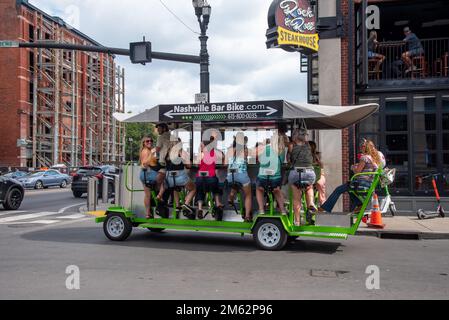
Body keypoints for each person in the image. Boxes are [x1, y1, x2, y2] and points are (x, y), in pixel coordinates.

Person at [319, 139, 382, 213]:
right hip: (368, 183)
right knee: (350, 190)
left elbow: (357, 172)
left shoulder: (364, 157)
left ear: (366, 147)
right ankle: (360, 205)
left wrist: (353, 167)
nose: (361, 148)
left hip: (361, 183)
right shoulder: (374, 159)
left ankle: (325, 208)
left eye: (363, 146)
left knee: (338, 190)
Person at [288, 129, 316, 226]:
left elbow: (289, 160)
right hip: (309, 172)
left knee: (296, 200)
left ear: (294, 136)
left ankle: (297, 221)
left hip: (296, 172)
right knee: (309, 187)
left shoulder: (291, 145)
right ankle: (311, 203)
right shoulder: (308, 144)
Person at [256, 131, 287, 215]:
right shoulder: (282, 150)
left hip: (263, 178)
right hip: (275, 178)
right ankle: (282, 210)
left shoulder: (265, 148)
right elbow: (282, 162)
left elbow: (260, 160)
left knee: (259, 189)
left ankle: (261, 209)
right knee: (276, 190)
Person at [165, 138, 196, 218]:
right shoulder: (182, 152)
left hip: (169, 179)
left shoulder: (168, 153)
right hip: (180, 176)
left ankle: (178, 206)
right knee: (193, 188)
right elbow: (188, 166)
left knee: (175, 188)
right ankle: (186, 203)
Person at [195, 136, 224, 219]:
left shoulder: (200, 153)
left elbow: (197, 163)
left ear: (204, 144)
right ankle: (218, 203)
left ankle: (200, 208)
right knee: (216, 186)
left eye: (201, 144)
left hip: (200, 178)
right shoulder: (214, 151)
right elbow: (222, 157)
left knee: (200, 190)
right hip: (211, 178)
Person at [226, 132, 253, 222]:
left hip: (230, 176)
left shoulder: (229, 149)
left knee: (234, 181)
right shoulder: (245, 149)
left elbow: (225, 162)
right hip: (242, 175)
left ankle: (231, 196)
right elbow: (247, 160)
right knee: (248, 194)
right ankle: (247, 216)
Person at [139, 136, 159, 219]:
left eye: (151, 141)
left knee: (148, 195)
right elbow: (144, 164)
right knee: (165, 184)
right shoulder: (145, 151)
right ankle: (159, 204)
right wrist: (152, 153)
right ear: (143, 143)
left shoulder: (148, 151)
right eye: (147, 141)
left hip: (146, 174)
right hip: (148, 174)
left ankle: (148, 213)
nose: (149, 142)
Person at [154, 123, 170, 200]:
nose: (158, 130)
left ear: (164, 129)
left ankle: (160, 198)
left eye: (159, 129)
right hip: (171, 163)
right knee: (168, 182)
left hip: (163, 163)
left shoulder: (161, 137)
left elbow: (157, 149)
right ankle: (164, 198)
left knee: (157, 181)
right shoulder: (171, 136)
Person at [309, 141, 327, 206]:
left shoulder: (317, 154)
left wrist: (317, 161)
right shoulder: (304, 155)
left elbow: (321, 165)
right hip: (309, 175)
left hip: (318, 174)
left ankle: (323, 203)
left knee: (320, 183)